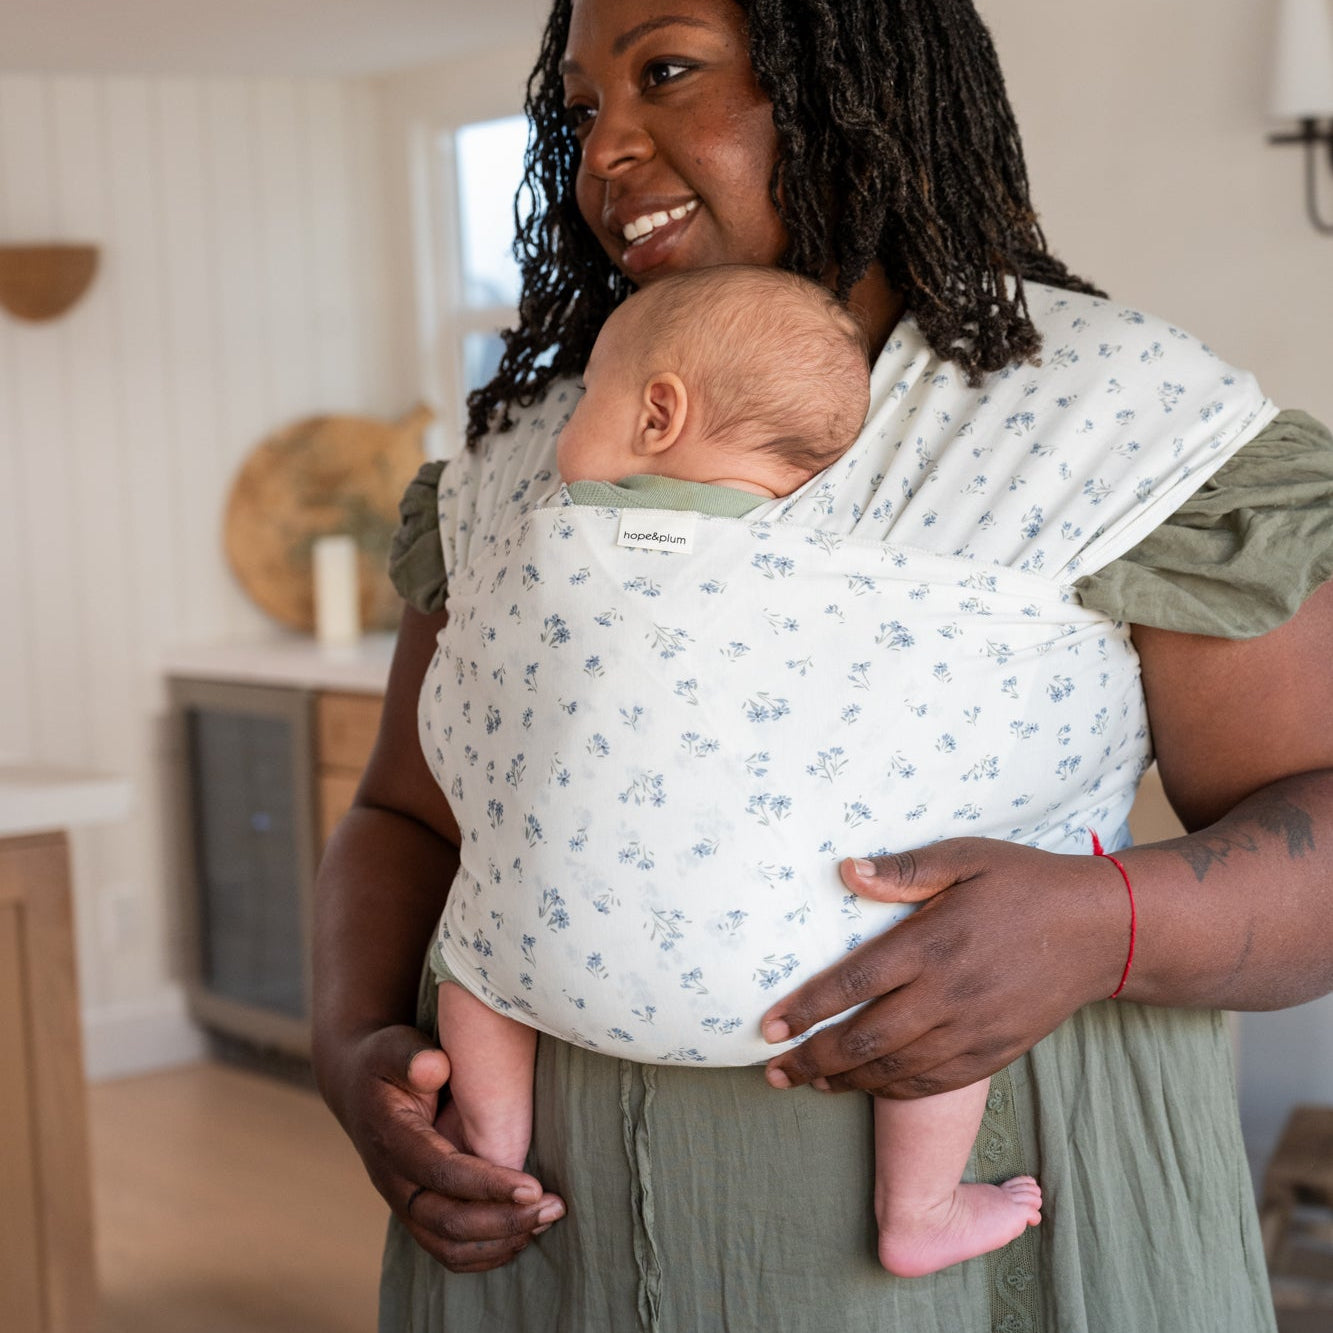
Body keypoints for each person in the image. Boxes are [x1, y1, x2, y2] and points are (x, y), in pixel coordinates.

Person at [312, 0, 1333, 1328]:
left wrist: (1101, 926)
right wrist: (348, 1049)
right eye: (577, 109)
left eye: (665, 72)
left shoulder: (1116, 422)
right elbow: (406, 813)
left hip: (1001, 1249)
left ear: (857, 79)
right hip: (553, 1248)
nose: (602, 149)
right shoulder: (526, 461)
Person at [432, 260, 1041, 1279]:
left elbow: (474, 687)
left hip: (550, 950)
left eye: (588, 399)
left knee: (471, 958)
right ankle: (920, 1210)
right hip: (810, 980)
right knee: (949, 1015)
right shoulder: (860, 566)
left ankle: (493, 1157)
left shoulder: (552, 544)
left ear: (658, 414)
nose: (566, 426)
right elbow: (944, 714)